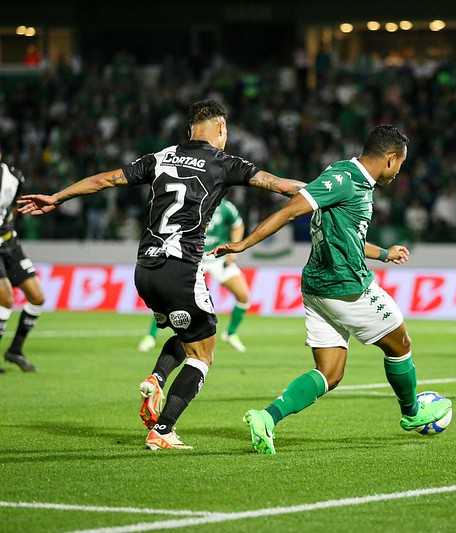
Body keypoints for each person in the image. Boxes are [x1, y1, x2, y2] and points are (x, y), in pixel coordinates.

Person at [17, 99, 306, 450]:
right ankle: (164, 429)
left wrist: (57, 197)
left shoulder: (161, 157)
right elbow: (279, 185)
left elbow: (106, 180)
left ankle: (157, 378)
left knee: (187, 338)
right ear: (220, 130)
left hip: (145, 269)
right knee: (203, 354)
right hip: (181, 268)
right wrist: (326, 191)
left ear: (189, 130)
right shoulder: (224, 162)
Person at [209, 125, 453, 454]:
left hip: (316, 288)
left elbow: (347, 236)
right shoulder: (346, 180)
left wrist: (384, 253)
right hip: (346, 286)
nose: (398, 174)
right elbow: (290, 210)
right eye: (400, 166)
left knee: (329, 373)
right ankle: (412, 414)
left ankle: (267, 417)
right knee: (400, 343)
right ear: (391, 159)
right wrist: (243, 244)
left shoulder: (347, 176)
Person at [138, 198, 251, 353]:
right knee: (170, 296)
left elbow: (237, 225)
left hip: (218, 257)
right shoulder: (191, 203)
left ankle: (231, 333)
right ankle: (151, 335)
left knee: (243, 295)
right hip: (193, 257)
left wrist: (233, 248)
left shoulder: (226, 207)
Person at [0, 146, 46, 373]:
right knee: (6, 299)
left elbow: (17, 205)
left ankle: (15, 350)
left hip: (9, 243)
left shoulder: (14, 178)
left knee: (37, 297)